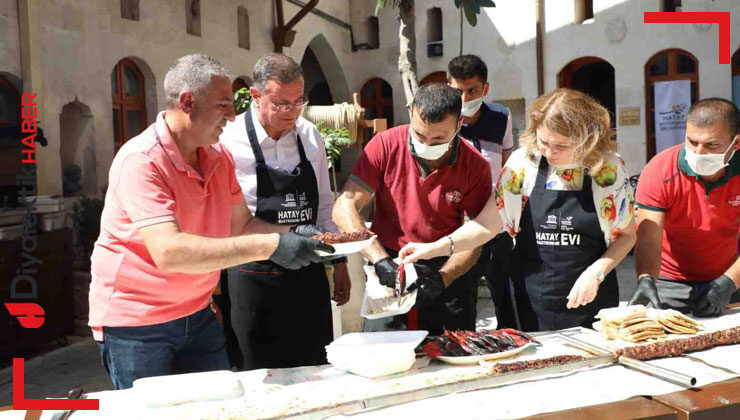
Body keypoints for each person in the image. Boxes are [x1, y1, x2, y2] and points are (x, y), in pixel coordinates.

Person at [88, 54, 331, 389]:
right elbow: (169, 252)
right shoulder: (142, 161)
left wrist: (299, 234)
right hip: (138, 325)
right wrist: (274, 245)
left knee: (220, 406)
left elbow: (242, 226)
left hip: (197, 315)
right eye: (223, 105)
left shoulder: (218, 157)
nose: (232, 117)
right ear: (187, 102)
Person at [400, 88, 636, 332]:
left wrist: (597, 272)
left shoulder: (608, 169)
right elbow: (487, 224)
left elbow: (628, 235)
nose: (549, 152)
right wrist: (434, 248)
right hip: (531, 297)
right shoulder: (523, 164)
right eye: (544, 141)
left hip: (591, 295)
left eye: (561, 146)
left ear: (587, 140)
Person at [219, 53, 350, 370]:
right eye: (280, 103)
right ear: (255, 94)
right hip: (252, 277)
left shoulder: (309, 135)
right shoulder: (227, 139)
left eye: (297, 102)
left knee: (315, 371)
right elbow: (217, 217)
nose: (291, 112)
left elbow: (324, 201)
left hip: (308, 275)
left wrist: (340, 261)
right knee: (257, 378)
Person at [333, 83, 492, 335]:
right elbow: (344, 206)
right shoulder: (384, 145)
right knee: (384, 357)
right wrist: (379, 260)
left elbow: (476, 235)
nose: (427, 144)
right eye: (419, 135)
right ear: (411, 113)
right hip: (389, 265)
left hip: (446, 265)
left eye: (439, 138)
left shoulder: (476, 166)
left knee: (451, 362)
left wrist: (444, 277)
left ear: (459, 124)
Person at [628, 98, 740, 316]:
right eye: (692, 141)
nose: (699, 152)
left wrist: (729, 282)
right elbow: (649, 237)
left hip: (729, 275)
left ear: (736, 143)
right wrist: (646, 277)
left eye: (711, 145)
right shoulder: (660, 169)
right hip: (670, 281)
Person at [448, 54, 517, 328]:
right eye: (457, 91)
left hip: (497, 218)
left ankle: (510, 338)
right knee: (464, 291)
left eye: (472, 90)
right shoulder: (445, 121)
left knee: (505, 288)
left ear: (485, 89)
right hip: (460, 221)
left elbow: (508, 160)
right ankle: (463, 343)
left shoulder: (501, 117)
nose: (464, 98)